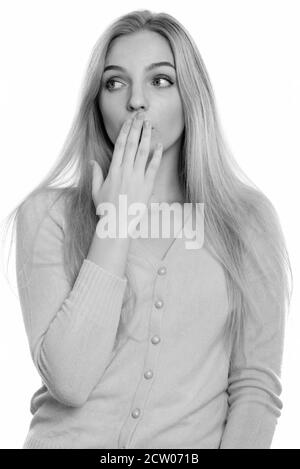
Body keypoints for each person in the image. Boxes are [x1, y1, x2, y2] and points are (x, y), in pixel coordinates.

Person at [2, 9, 292, 449]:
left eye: (160, 80)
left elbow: (255, 389)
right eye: (115, 82)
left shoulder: (247, 221)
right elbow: (69, 379)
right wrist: (114, 223)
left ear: (190, 95)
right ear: (97, 104)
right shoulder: (46, 215)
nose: (136, 101)